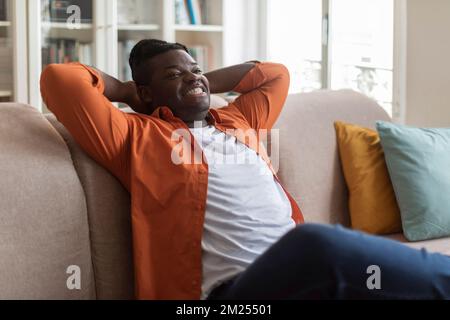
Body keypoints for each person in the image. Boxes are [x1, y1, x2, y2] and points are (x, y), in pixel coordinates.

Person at [40, 39, 450, 300]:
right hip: (232, 297)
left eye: (195, 68)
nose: (193, 77)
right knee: (317, 246)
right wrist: (130, 93)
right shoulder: (135, 135)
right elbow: (61, 79)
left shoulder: (238, 122)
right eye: (173, 74)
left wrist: (197, 81)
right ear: (146, 93)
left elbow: (274, 74)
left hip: (300, 283)